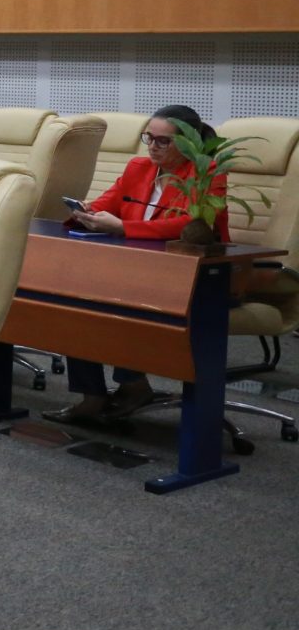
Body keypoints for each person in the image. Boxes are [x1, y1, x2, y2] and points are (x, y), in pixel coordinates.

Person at [46, 105, 229, 425]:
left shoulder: (206, 174)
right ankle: (92, 395)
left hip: (193, 276)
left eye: (163, 141)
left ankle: (132, 384)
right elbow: (109, 201)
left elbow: (192, 223)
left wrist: (123, 228)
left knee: (115, 304)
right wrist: (87, 211)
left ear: (187, 143)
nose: (153, 147)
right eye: (149, 138)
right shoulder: (138, 168)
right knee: (73, 300)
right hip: (132, 269)